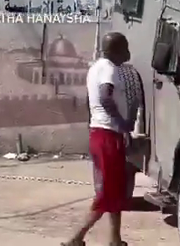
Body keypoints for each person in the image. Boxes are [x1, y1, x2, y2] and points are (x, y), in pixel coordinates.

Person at [62, 32, 132, 246]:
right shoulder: (109, 69)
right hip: (108, 135)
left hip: (99, 133)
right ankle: (76, 238)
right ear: (116, 50)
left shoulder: (95, 68)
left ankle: (116, 240)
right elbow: (105, 97)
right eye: (125, 48)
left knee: (114, 190)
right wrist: (122, 125)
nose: (128, 53)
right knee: (106, 194)